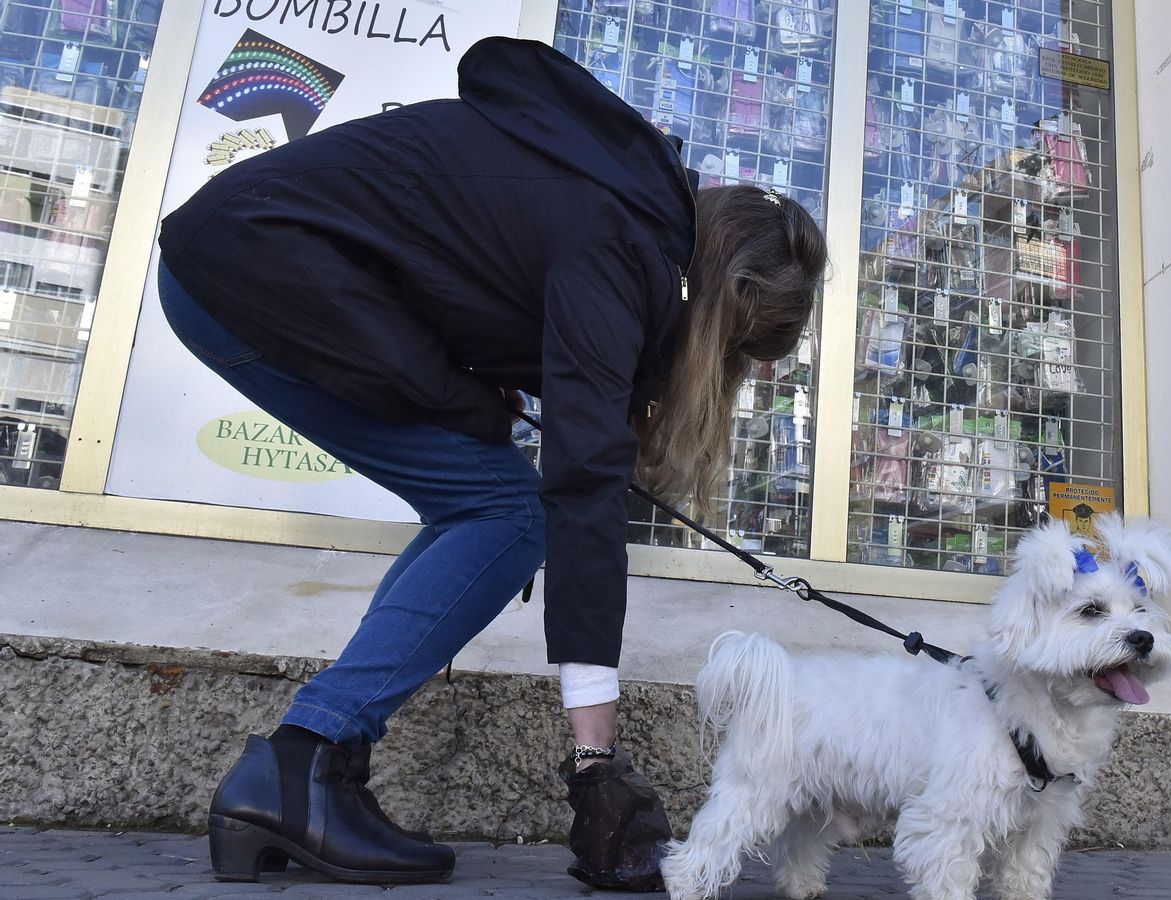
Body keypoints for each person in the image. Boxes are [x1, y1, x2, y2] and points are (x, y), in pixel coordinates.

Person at [160, 37, 826, 886]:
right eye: (732, 357)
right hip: (252, 273)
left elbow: (456, 275)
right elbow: (581, 491)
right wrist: (596, 762)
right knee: (511, 512)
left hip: (240, 258)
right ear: (728, 310)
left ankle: (315, 765)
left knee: (485, 500)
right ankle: (306, 759)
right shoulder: (621, 246)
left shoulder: (623, 203)